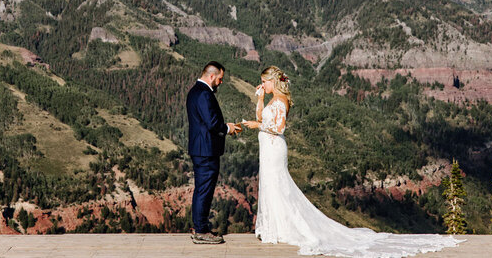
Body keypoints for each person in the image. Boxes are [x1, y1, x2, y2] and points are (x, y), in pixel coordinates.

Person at [242, 66, 461, 258]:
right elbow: (261, 118)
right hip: (267, 149)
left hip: (274, 148)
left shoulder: (281, 101)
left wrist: (256, 126)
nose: (262, 85)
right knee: (271, 185)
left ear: (272, 81)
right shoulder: (271, 99)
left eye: (264, 82)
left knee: (277, 184)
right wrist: (260, 99)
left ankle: (281, 229)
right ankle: (276, 228)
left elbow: (279, 128)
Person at [186, 61, 242, 244]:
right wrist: (228, 128)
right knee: (204, 191)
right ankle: (201, 230)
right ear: (211, 76)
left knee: (201, 189)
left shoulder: (194, 91)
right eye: (220, 79)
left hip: (200, 149)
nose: (221, 82)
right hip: (206, 151)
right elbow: (212, 123)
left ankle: (200, 228)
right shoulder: (204, 94)